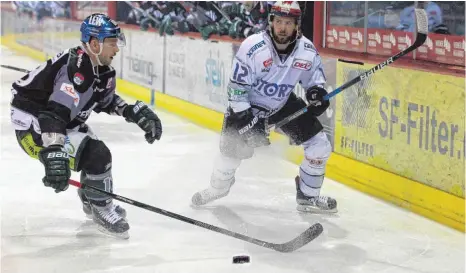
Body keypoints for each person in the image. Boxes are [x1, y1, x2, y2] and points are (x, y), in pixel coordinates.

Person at [9, 13, 163, 238]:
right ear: (94, 44)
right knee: (97, 155)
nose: (117, 49)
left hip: (58, 122)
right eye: (112, 43)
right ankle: (101, 207)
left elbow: (104, 100)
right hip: (35, 129)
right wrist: (53, 152)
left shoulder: (98, 67)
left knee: (93, 154)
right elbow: (54, 113)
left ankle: (92, 199)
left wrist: (130, 112)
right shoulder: (78, 70)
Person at [191, 1, 337, 213]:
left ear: (297, 25)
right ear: (271, 22)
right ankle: (217, 188)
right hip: (246, 107)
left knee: (319, 145)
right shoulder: (253, 46)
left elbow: (314, 80)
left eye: (288, 22)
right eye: (278, 22)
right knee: (229, 156)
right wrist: (248, 121)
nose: (282, 27)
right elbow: (236, 91)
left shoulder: (306, 49)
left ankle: (308, 197)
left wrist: (316, 94)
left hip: (282, 104)